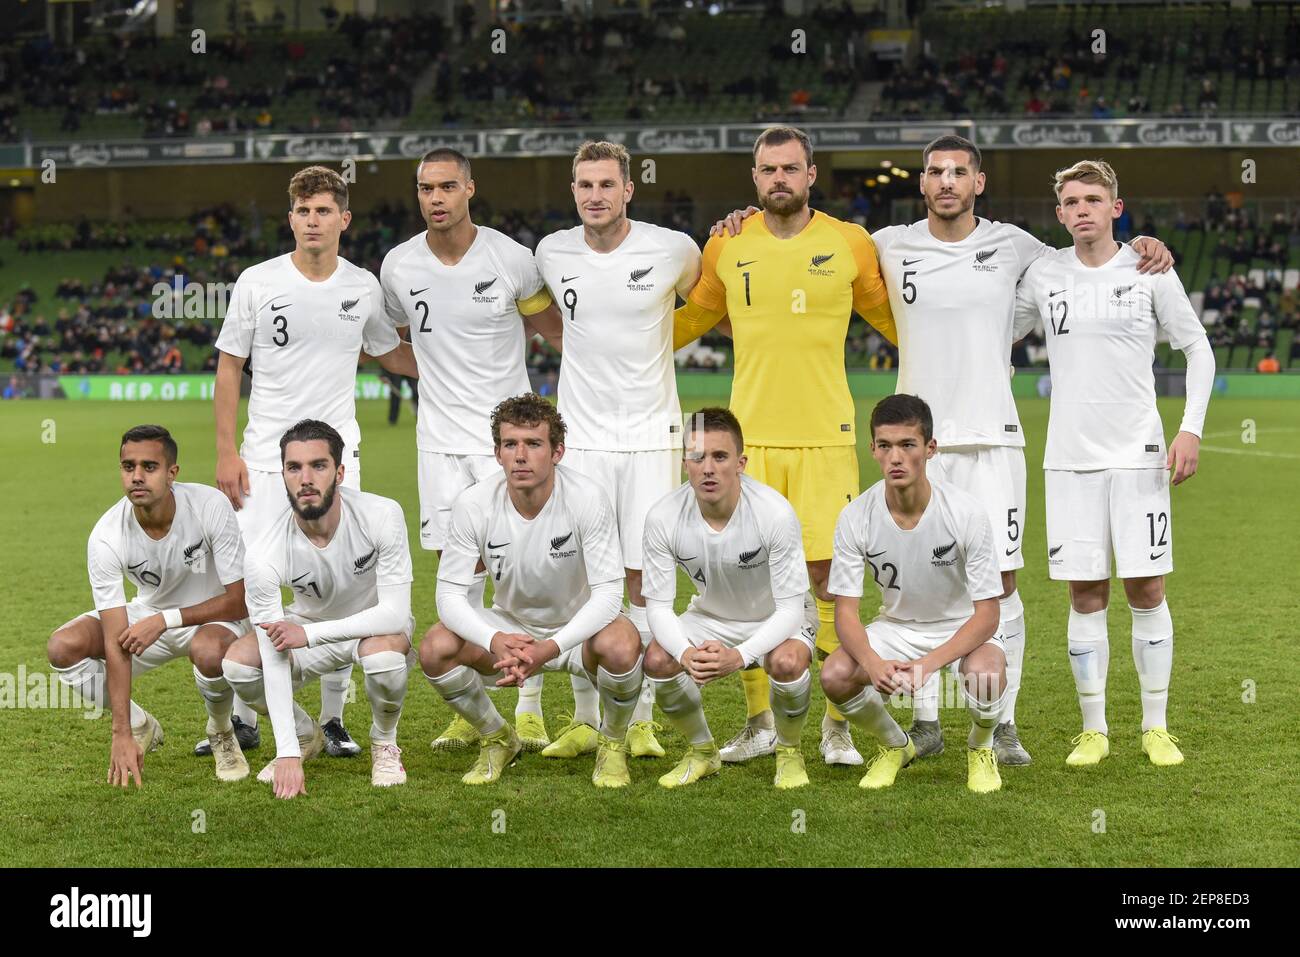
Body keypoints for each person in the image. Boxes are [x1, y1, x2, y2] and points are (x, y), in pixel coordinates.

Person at [673, 125, 898, 769]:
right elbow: (686, 322)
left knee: (829, 581)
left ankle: (835, 724)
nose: (779, 179)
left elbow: (897, 321)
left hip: (827, 437)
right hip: (748, 442)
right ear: (755, 178)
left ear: (811, 173)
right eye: (768, 169)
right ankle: (759, 722)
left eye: (790, 168)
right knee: (750, 582)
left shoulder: (849, 242)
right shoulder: (728, 243)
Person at [212, 164, 418, 761]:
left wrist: (466, 356)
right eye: (303, 211)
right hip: (262, 455)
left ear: (344, 220)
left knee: (344, 582)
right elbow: (229, 366)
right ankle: (264, 714)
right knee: (258, 579)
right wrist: (226, 451)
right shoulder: (256, 280)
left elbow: (391, 354)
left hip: (337, 454)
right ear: (291, 219)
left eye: (323, 210)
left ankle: (333, 720)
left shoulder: (364, 288)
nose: (312, 221)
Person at [1013, 159, 1214, 768]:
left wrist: (1190, 430)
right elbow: (995, 328)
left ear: (1115, 208)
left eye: (1093, 199)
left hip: (1139, 457)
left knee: (1147, 588)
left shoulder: (1149, 268)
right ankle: (1094, 728)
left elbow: (1197, 348)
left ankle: (1155, 724)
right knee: (1085, 593)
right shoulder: (1044, 274)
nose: (1082, 210)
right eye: (1071, 201)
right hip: (1069, 459)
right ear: (1059, 214)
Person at [379, 147, 563, 753]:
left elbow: (556, 333)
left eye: (447, 187)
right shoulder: (398, 265)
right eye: (425, 188)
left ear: (470, 190)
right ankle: (476, 709)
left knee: (522, 567)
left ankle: (531, 703)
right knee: (463, 572)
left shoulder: (512, 259)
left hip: (504, 444)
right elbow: (386, 343)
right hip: (438, 445)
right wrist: (430, 374)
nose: (435, 198)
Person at [532, 140, 702, 762]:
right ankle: (583, 718)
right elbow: (540, 315)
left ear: (629, 189)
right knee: (581, 577)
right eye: (584, 185)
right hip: (580, 441)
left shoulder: (673, 249)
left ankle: (640, 721)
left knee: (644, 576)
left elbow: (709, 302)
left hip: (653, 438)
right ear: (572, 190)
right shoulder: (552, 252)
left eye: (606, 184)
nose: (594, 196)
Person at [419, 394, 644, 788]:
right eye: (510, 445)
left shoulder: (587, 497)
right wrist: (495, 638)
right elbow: (448, 597)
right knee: (435, 647)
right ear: (497, 452)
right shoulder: (473, 504)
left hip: (579, 632)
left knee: (624, 644)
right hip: (511, 631)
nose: (520, 456)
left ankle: (612, 743)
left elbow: (609, 595)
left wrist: (549, 648)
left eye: (533, 444)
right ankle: (498, 737)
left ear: (557, 451)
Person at [822, 395, 1008, 794]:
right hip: (897, 626)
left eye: (908, 445)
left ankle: (981, 746)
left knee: (987, 674)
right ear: (872, 449)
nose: (896, 458)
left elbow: (988, 615)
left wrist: (928, 665)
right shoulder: (856, 517)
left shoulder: (966, 512)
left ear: (930, 448)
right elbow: (847, 613)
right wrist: (872, 663)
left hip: (962, 625)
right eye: (885, 446)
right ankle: (895, 745)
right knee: (836, 675)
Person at [221, 420, 416, 798]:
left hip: (371, 627)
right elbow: (271, 652)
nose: (305, 478)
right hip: (307, 627)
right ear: (283, 475)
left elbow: (394, 614)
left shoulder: (382, 514)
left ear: (340, 472)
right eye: (294, 468)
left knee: (384, 660)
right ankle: (304, 733)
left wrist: (308, 635)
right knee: (238, 666)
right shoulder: (263, 553)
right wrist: (287, 752)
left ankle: (384, 743)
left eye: (318, 466)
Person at [47, 425, 250, 787]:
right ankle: (143, 725)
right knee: (63, 647)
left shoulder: (209, 506)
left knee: (208, 651)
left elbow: (239, 600)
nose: (136, 477)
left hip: (214, 617)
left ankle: (222, 732)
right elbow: (114, 637)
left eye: (149, 467)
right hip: (149, 618)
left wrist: (166, 620)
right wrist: (121, 731)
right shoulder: (107, 534)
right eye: (128, 466)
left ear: (172, 473)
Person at [642, 408, 816, 789]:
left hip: (777, 616)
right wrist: (686, 655)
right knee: (657, 658)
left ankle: (788, 750)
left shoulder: (774, 513)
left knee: (787, 662)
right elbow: (657, 606)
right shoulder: (662, 517)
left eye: (720, 457)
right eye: (697, 456)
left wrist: (738, 657)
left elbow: (790, 609)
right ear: (684, 462)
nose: (708, 468)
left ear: (741, 463)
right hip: (712, 615)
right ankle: (702, 751)